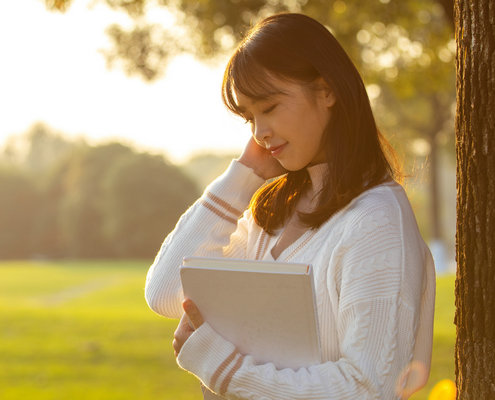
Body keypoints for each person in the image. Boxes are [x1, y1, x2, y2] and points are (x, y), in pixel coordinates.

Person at [145, 13, 435, 400]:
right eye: (249, 117)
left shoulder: (376, 220)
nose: (259, 133)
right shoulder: (271, 216)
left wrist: (224, 370)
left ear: (326, 90)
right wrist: (243, 175)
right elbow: (165, 293)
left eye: (269, 107)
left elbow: (370, 389)